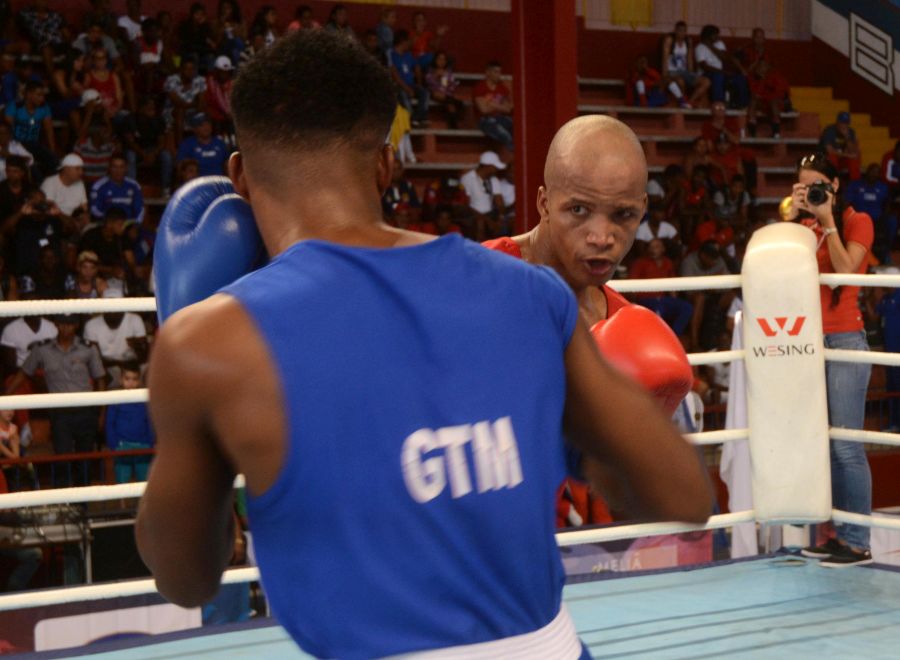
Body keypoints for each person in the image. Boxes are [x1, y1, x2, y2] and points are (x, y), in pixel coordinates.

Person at [136, 31, 710, 658]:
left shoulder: (206, 343)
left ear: (241, 176)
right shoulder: (532, 295)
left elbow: (186, 577)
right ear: (386, 164)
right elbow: (683, 494)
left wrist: (184, 344)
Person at [784, 153, 874, 567]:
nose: (811, 192)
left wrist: (828, 220)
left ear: (834, 187)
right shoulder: (800, 228)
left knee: (846, 448)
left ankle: (856, 541)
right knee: (820, 446)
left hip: (844, 341)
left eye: (817, 185)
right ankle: (833, 535)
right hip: (806, 343)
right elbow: (781, 272)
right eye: (804, 186)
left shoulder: (858, 221)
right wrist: (794, 215)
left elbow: (843, 271)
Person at [5, 315, 107, 486]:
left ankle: (83, 507)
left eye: (69, 324)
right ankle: (63, 506)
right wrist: (5, 396)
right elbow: (24, 373)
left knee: (85, 459)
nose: (65, 328)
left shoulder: (88, 348)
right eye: (61, 324)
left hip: (85, 411)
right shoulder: (42, 349)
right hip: (60, 413)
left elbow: (101, 379)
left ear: (76, 326)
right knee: (62, 458)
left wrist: (101, 413)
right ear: (56, 325)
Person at [83, 288, 148, 386]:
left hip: (133, 365)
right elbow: (94, 361)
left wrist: (136, 345)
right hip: (107, 368)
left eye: (116, 305)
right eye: (109, 306)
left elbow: (144, 357)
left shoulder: (135, 320)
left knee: (148, 369)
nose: (112, 310)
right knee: (100, 373)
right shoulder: (91, 325)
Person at [630, 238, 693, 337]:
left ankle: (673, 337)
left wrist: (674, 301)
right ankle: (660, 339)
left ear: (663, 249)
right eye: (650, 247)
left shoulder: (668, 263)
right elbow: (631, 286)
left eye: (656, 247)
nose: (652, 250)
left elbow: (672, 285)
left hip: (663, 300)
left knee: (686, 307)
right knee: (659, 309)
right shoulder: (640, 263)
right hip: (646, 300)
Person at [105, 362, 153, 483]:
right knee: (122, 482)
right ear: (121, 379)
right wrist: (115, 445)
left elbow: (150, 422)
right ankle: (123, 503)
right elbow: (110, 423)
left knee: (144, 482)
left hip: (143, 445)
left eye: (134, 379)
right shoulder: (116, 398)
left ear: (139, 380)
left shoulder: (144, 399)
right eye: (127, 379)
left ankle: (142, 503)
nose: (131, 383)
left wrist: (149, 442)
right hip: (122, 445)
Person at [694, 24, 749, 109]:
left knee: (740, 78)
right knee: (718, 75)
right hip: (706, 74)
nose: (718, 36)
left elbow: (724, 58)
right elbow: (704, 67)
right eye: (715, 34)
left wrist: (710, 46)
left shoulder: (719, 44)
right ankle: (718, 102)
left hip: (720, 72)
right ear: (709, 35)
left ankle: (743, 104)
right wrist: (722, 72)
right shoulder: (700, 47)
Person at [845, 163, 890, 263]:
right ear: (867, 172)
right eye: (872, 171)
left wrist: (884, 215)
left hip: (876, 220)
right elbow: (847, 202)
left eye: (877, 172)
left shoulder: (883, 188)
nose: (874, 174)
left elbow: (887, 204)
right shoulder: (855, 185)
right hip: (858, 220)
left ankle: (884, 257)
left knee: (890, 223)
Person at [660, 21, 710, 108]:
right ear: (675, 31)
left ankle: (690, 102)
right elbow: (665, 58)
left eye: (684, 31)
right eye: (679, 30)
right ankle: (682, 102)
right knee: (680, 81)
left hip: (684, 72)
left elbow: (689, 59)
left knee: (706, 82)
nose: (681, 33)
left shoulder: (688, 41)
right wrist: (665, 75)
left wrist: (691, 74)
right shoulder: (670, 40)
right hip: (672, 72)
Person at [459, 150, 505, 241]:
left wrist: (500, 217)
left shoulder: (493, 179)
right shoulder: (468, 178)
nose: (496, 170)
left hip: (490, 214)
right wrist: (487, 220)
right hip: (472, 215)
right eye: (494, 167)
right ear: (487, 166)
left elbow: (499, 201)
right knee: (480, 223)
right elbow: (465, 205)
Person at [389, 30, 429, 128]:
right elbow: (395, 75)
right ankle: (411, 118)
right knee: (402, 94)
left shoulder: (408, 55)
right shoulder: (391, 54)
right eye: (408, 41)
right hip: (398, 85)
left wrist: (418, 82)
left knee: (424, 92)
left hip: (410, 84)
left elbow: (416, 67)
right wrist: (407, 88)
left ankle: (420, 117)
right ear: (403, 42)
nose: (410, 44)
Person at [90, 154, 144, 223]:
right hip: (106, 225)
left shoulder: (134, 185)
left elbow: (140, 209)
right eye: (114, 167)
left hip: (128, 224)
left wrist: (136, 224)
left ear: (126, 168)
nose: (118, 171)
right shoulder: (98, 186)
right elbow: (95, 210)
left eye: (121, 167)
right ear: (109, 168)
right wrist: (111, 222)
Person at [473, 60, 513, 150]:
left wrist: (492, 105)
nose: (498, 74)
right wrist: (499, 105)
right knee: (505, 135)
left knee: (516, 128)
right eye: (496, 72)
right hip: (485, 120)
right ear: (488, 72)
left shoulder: (502, 88)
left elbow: (509, 108)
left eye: (499, 72)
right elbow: (483, 109)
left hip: (500, 118)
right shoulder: (480, 88)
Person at [41, 154, 88, 218]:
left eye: (82, 169)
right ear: (66, 169)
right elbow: (49, 209)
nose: (81, 172)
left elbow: (84, 207)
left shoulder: (80, 183)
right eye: (77, 169)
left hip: (74, 220)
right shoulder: (50, 182)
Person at [425, 51, 463, 129]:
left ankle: (453, 125)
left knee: (450, 105)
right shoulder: (431, 71)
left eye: (443, 59)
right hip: (434, 92)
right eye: (439, 59)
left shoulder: (448, 72)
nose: (441, 61)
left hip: (446, 94)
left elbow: (452, 84)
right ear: (435, 60)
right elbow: (428, 81)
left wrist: (446, 83)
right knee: (450, 102)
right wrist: (436, 76)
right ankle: (456, 104)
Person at [819, 112, 861, 181]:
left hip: (843, 158)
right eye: (842, 123)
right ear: (837, 122)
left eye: (846, 123)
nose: (844, 126)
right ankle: (833, 181)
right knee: (832, 158)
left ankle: (855, 184)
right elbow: (830, 151)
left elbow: (854, 151)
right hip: (828, 159)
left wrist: (847, 137)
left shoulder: (850, 132)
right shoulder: (830, 131)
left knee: (855, 159)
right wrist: (848, 155)